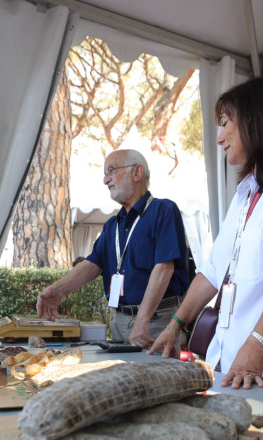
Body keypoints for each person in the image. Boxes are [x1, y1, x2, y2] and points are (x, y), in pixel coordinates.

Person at [149, 77, 263, 394]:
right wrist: (174, 326)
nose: (219, 138)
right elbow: (212, 272)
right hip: (241, 353)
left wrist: (257, 345)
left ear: (256, 119)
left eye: (224, 124)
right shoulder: (248, 191)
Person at [36, 149, 189, 347]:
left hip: (155, 320)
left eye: (111, 171)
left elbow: (164, 268)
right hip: (119, 320)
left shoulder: (163, 210)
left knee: (155, 378)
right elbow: (92, 264)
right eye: (105, 174)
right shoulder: (112, 225)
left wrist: (143, 319)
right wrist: (57, 290)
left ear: (137, 172)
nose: (105, 180)